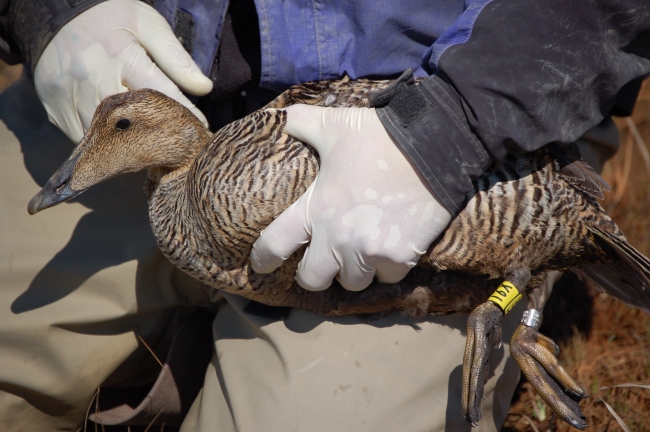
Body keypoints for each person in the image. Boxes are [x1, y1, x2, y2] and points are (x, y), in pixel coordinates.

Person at [0, 0, 645, 430]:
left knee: (504, 265)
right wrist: (56, 12)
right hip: (135, 67)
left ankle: (521, 311)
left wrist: (444, 130)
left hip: (474, 107)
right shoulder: (175, 175)